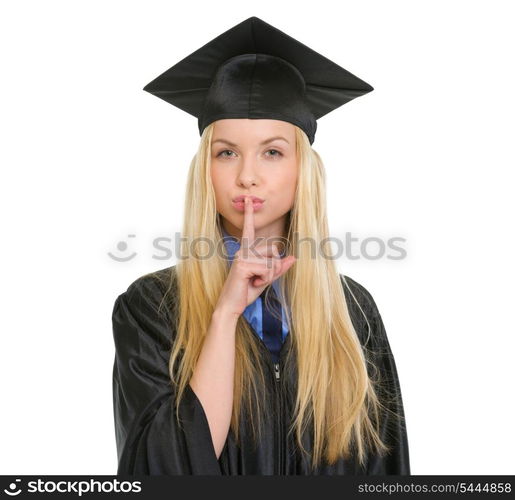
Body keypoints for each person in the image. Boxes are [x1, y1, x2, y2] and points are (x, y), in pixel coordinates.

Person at [111, 16, 410, 475]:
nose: (247, 174)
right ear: (205, 170)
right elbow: (162, 466)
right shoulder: (152, 307)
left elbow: (385, 473)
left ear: (302, 170)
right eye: (226, 152)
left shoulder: (352, 312)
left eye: (272, 151)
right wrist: (225, 314)